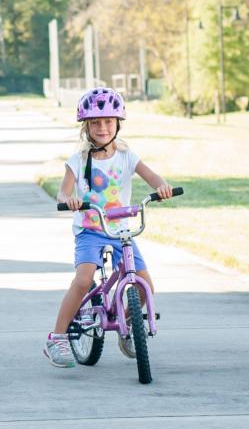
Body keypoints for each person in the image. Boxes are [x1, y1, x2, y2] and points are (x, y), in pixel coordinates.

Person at [50, 87, 175, 368]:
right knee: (83, 279)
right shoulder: (79, 160)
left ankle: (130, 327)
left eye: (108, 121)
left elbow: (152, 176)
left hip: (121, 231)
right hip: (90, 229)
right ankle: (57, 337)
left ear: (118, 124)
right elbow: (62, 192)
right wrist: (68, 199)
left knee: (144, 286)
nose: (102, 127)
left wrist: (161, 187)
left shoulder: (127, 156)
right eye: (95, 122)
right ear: (86, 127)